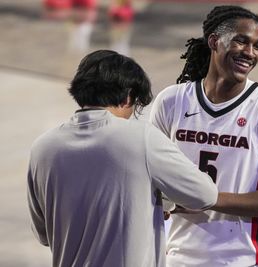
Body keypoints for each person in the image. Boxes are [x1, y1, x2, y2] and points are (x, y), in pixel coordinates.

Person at [27, 49, 219, 267]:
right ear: (128, 96)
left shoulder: (42, 148)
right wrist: (165, 202)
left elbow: (43, 234)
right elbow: (205, 194)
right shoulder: (142, 138)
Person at [150, 5, 258, 267]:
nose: (250, 53)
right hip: (177, 259)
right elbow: (147, 174)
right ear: (214, 41)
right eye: (241, 41)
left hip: (242, 261)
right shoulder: (171, 101)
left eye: (257, 46)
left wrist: (208, 197)